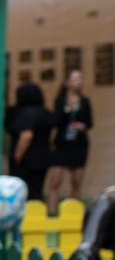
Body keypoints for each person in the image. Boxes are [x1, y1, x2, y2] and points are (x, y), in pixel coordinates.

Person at [47, 69, 93, 213]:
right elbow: (54, 121)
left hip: (78, 144)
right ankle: (52, 213)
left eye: (79, 79)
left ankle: (73, 213)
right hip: (62, 144)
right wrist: (67, 109)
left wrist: (82, 126)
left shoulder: (85, 101)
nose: (77, 82)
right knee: (55, 181)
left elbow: (90, 122)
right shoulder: (60, 101)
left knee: (77, 182)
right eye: (74, 79)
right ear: (67, 82)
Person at [8, 83, 55, 202]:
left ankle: (28, 218)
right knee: (36, 191)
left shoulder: (27, 113)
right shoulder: (45, 112)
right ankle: (36, 216)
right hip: (43, 157)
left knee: (22, 192)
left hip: (27, 159)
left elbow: (26, 136)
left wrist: (17, 156)